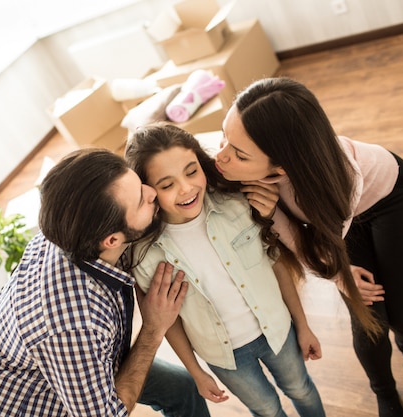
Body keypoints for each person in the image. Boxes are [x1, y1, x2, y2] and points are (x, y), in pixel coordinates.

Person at [215, 76, 403, 417]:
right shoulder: (246, 160)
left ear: (282, 168)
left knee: (396, 305)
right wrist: (273, 212)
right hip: (331, 220)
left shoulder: (340, 177)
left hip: (386, 197)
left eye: (238, 154)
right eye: (223, 137)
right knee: (369, 320)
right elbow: (302, 241)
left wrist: (338, 274)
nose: (221, 156)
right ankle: (384, 389)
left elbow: (320, 244)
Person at [0, 148, 211, 417]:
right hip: (34, 406)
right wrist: (153, 329)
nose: (152, 193)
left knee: (181, 389)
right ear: (112, 241)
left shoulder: (70, 225)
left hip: (57, 363)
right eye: (141, 199)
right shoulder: (73, 324)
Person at [125, 123, 326, 417]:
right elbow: (169, 323)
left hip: (278, 330)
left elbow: (277, 264)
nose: (186, 188)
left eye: (192, 171)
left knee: (301, 389)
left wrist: (303, 325)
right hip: (226, 358)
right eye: (167, 185)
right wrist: (195, 372)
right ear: (148, 192)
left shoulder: (236, 205)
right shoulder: (145, 256)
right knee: (267, 410)